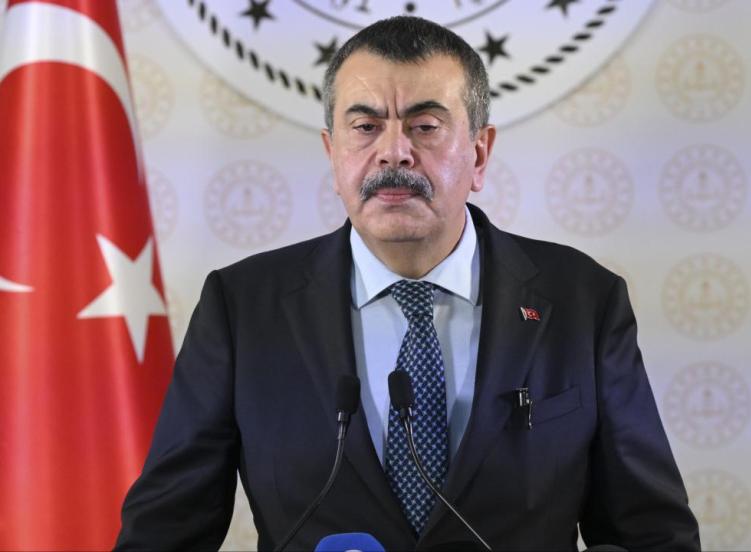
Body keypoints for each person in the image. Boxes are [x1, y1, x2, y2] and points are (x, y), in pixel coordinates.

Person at [115, 16, 700, 551]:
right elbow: (163, 535)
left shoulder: (583, 301)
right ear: (333, 153)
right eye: (365, 127)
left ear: (479, 154)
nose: (393, 152)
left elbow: (653, 536)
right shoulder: (243, 308)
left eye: (425, 126)